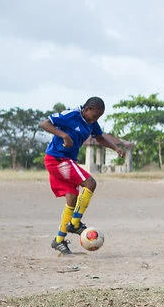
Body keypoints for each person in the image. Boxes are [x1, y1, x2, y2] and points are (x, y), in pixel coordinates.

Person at [40, 97, 124, 255]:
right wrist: (63, 135)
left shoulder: (91, 123)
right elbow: (44, 124)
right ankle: (75, 223)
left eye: (99, 117)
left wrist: (115, 148)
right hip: (58, 159)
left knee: (72, 198)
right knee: (90, 183)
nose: (95, 119)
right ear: (86, 109)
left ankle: (58, 240)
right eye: (94, 116)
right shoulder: (71, 115)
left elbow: (99, 138)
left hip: (64, 160)